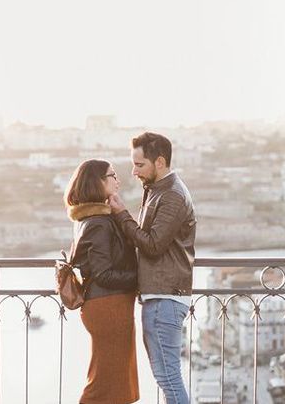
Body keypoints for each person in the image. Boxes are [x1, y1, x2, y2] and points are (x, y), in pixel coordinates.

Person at [109, 132, 197, 404]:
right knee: (167, 378)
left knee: (168, 379)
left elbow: (153, 245)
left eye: (139, 165)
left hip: (165, 298)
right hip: (162, 296)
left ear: (160, 162)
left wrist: (122, 214)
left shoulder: (171, 195)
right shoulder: (159, 190)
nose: (133, 172)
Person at [64, 159, 139, 404]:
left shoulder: (94, 218)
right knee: (104, 386)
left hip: (110, 305)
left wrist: (119, 214)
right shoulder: (98, 223)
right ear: (97, 182)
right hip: (108, 308)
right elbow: (103, 274)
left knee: (115, 384)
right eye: (112, 175)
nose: (117, 179)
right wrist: (142, 279)